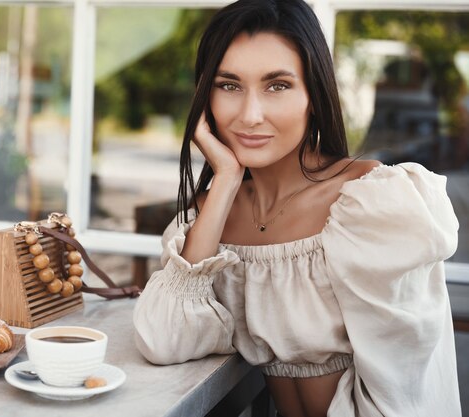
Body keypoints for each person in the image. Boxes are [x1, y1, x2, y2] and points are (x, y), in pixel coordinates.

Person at [132, 0, 462, 416]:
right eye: (229, 85)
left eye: (278, 85)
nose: (250, 116)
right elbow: (165, 340)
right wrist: (227, 181)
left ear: (313, 93)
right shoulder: (211, 216)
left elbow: (406, 394)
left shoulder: (373, 204)